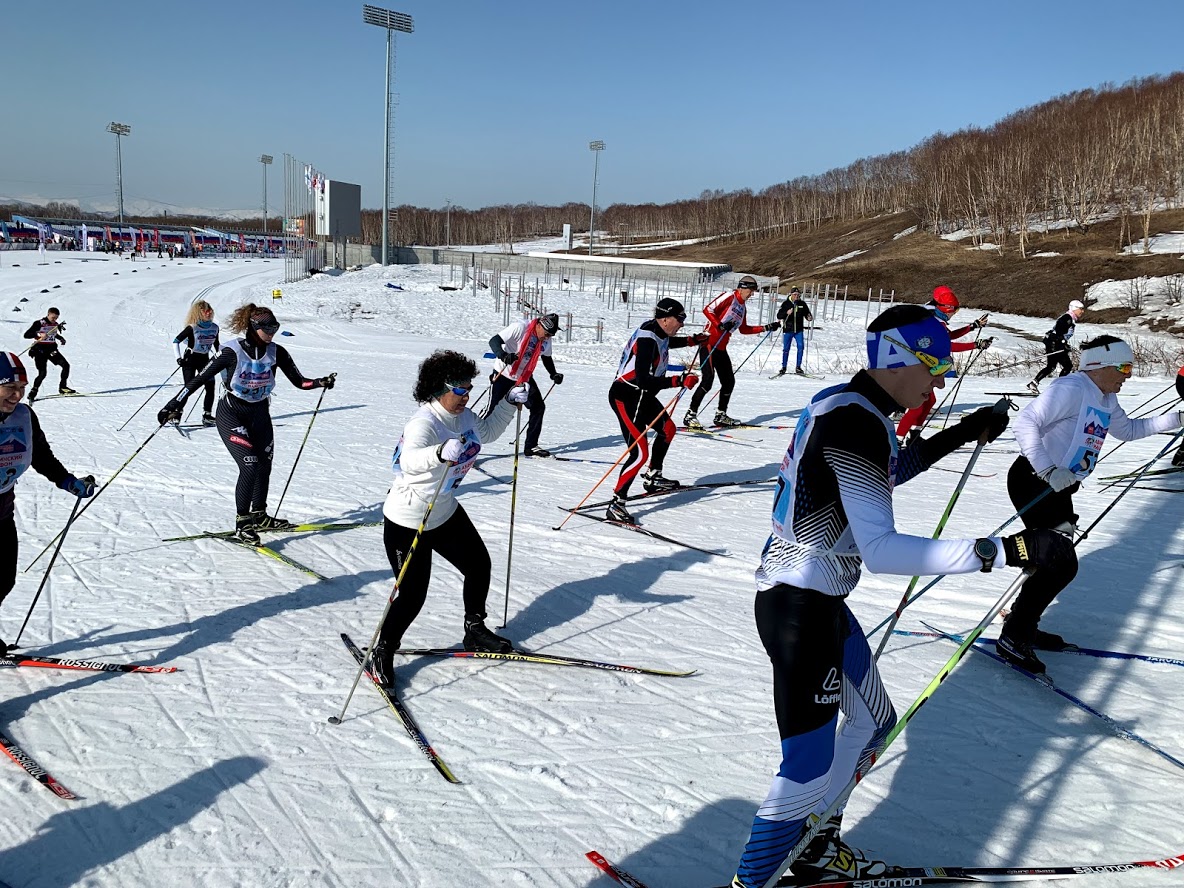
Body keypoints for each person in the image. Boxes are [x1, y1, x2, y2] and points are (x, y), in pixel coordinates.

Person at [731, 304, 1074, 887]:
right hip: (799, 605)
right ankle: (754, 879)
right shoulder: (854, 422)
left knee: (873, 723)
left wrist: (962, 433)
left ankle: (811, 850)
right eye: (934, 364)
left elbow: (886, 470)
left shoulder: (854, 408)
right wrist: (1007, 552)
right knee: (806, 764)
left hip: (817, 601)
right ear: (899, 359)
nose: (939, 380)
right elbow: (883, 551)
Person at [1001, 335, 1182, 673]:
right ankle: (1015, 632)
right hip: (1033, 479)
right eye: (1124, 367)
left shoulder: (1106, 398)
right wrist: (1047, 468)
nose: (1128, 374)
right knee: (1060, 562)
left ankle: (1025, 625)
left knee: (1056, 562)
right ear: (1100, 364)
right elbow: (1027, 422)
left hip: (1060, 485)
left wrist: (1178, 419)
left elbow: (1128, 430)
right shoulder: (1071, 388)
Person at [369, 350, 527, 686]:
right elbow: (408, 460)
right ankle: (382, 650)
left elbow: (487, 432)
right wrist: (438, 453)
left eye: (468, 388)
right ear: (438, 389)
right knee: (412, 594)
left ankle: (475, 629)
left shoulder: (463, 416)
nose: (466, 395)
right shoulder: (424, 423)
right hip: (409, 518)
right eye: (460, 389)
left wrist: (509, 404)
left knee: (478, 565)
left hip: (444, 509)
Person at [156, 304, 335, 543]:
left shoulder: (276, 351)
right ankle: (243, 523)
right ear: (253, 327)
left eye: (275, 327)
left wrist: (320, 382)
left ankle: (259, 515)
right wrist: (173, 404)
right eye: (267, 328)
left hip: (260, 414)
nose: (272, 332)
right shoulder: (232, 352)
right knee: (249, 465)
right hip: (232, 414)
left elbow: (299, 382)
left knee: (264, 465)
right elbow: (200, 379)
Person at [0, 352, 95, 656]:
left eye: (21, 387)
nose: (16, 395)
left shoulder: (24, 416)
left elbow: (40, 455)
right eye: (9, 387)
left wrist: (68, 481)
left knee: (2, 581)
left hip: (2, 513)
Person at [606, 298, 708, 523]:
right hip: (627, 396)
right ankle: (616, 503)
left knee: (668, 430)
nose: (682, 323)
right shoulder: (647, 339)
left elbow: (666, 342)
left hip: (643, 396)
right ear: (665, 319)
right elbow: (643, 379)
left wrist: (692, 341)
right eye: (679, 319)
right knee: (639, 453)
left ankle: (653, 477)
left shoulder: (657, 330)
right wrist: (679, 380)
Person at [683, 275, 779, 429]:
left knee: (728, 382)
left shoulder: (742, 307)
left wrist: (766, 327)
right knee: (707, 381)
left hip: (721, 348)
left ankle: (721, 414)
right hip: (709, 344)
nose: (752, 294)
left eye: (753, 291)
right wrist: (719, 325)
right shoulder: (730, 297)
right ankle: (690, 415)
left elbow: (744, 329)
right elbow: (708, 309)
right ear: (741, 288)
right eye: (750, 290)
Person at [895, 285, 991, 440]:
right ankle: (898, 440)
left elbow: (948, 337)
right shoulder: (934, 323)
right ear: (946, 309)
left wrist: (972, 327)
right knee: (917, 405)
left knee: (929, 400)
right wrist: (975, 345)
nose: (954, 314)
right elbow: (948, 345)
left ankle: (914, 435)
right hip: (914, 366)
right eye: (954, 310)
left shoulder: (934, 317)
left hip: (921, 365)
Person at [484, 313, 563, 457]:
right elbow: (494, 341)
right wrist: (503, 355)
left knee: (538, 407)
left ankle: (531, 447)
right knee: (492, 411)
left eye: (550, 336)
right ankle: (468, 445)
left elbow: (546, 357)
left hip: (524, 377)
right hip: (504, 374)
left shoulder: (546, 338)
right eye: (546, 334)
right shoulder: (520, 328)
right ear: (539, 325)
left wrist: (553, 373)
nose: (546, 338)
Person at [172, 300, 221, 427]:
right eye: (206, 311)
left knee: (210, 386)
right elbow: (176, 341)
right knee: (188, 387)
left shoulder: (214, 328)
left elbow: (217, 345)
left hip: (205, 360)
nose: (209, 313)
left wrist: (222, 357)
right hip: (190, 360)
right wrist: (178, 358)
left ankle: (207, 415)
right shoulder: (192, 328)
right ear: (199, 313)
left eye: (210, 311)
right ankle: (177, 412)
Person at [1029, 299, 1085, 393]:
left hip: (1054, 343)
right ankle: (1058, 387)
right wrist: (1063, 343)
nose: (1082, 311)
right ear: (1074, 309)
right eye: (1081, 309)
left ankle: (1034, 383)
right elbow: (1059, 332)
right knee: (1067, 366)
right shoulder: (1067, 318)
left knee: (1051, 366)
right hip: (1055, 345)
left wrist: (1064, 343)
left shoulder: (1069, 318)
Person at [23, 307, 74, 402]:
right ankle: (33, 392)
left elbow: (53, 334)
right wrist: (38, 335)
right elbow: (26, 335)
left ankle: (63, 387)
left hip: (51, 349)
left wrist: (61, 338)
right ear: (48, 314)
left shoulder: (55, 324)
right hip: (39, 350)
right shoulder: (39, 323)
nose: (54, 320)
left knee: (65, 365)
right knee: (42, 373)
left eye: (56, 318)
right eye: (53, 317)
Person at [775, 287, 813, 376]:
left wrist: (809, 317)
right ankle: (784, 367)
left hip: (798, 330)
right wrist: (786, 313)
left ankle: (798, 367)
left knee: (801, 347)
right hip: (788, 329)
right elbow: (779, 315)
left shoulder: (802, 304)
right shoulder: (786, 304)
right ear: (791, 295)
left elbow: (807, 313)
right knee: (786, 349)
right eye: (795, 294)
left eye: (798, 295)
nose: (796, 296)